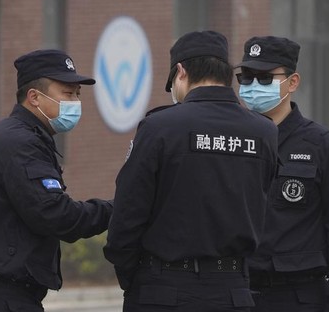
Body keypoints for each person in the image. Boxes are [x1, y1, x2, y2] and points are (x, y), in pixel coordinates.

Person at [104, 30, 278, 312]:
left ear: (181, 72)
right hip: (233, 291)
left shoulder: (160, 127)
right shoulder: (264, 131)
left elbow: (128, 214)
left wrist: (133, 277)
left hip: (163, 288)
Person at [0, 49, 113, 312]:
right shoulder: (21, 144)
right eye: (67, 94)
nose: (75, 102)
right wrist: (118, 208)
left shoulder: (18, 137)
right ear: (34, 97)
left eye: (78, 95)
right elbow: (56, 215)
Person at [236, 36, 329, 312]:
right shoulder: (232, 141)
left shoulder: (321, 144)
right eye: (246, 77)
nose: (254, 86)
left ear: (292, 82)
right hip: (237, 293)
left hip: (299, 295)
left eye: (265, 78)